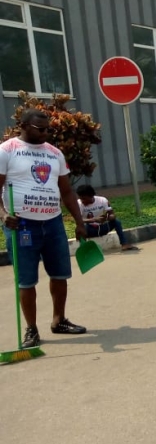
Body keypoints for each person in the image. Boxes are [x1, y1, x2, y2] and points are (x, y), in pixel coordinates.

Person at [0, 109, 87, 348]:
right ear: (24, 126)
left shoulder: (54, 153)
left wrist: (79, 223)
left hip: (53, 223)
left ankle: (59, 320)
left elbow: (67, 191)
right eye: (41, 129)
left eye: (49, 129)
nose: (46, 133)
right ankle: (31, 329)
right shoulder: (6, 150)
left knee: (60, 275)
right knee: (26, 280)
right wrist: (4, 214)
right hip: (22, 225)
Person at [75, 185, 138, 251]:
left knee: (117, 222)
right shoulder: (78, 204)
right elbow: (78, 220)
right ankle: (84, 249)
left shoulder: (102, 200)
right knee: (80, 227)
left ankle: (124, 244)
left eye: (84, 198)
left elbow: (112, 215)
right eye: (81, 198)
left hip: (103, 227)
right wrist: (94, 219)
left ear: (91, 195)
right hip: (89, 229)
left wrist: (107, 218)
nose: (82, 201)